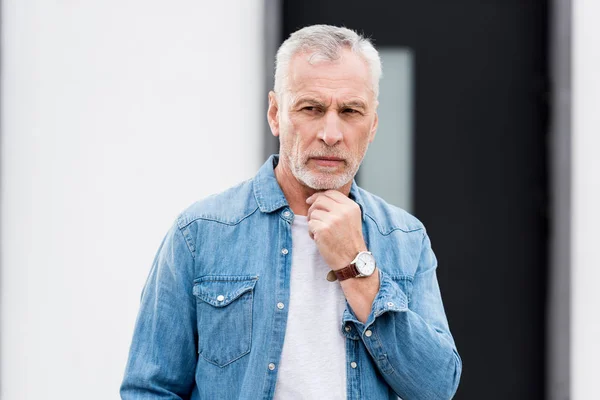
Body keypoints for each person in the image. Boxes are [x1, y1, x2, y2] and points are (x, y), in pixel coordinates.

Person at [120, 24, 462, 400]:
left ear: (374, 125)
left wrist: (355, 264)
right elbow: (150, 388)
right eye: (312, 108)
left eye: (350, 111)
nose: (331, 133)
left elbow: (436, 388)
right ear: (275, 113)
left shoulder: (404, 237)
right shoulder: (201, 232)